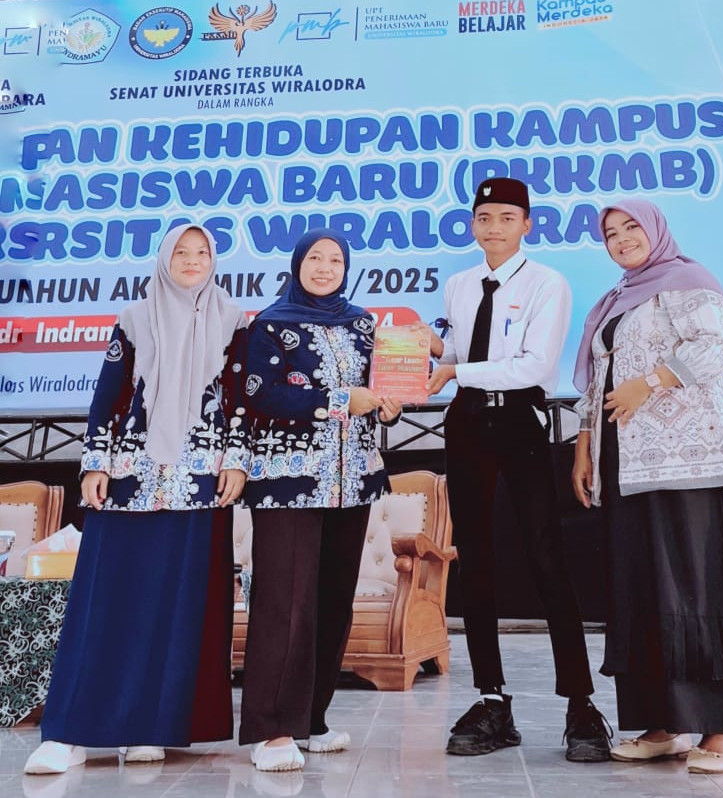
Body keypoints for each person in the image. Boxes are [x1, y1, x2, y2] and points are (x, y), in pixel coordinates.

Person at [571, 199, 723, 774]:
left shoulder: (689, 281)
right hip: (628, 466)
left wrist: (652, 381)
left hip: (692, 462)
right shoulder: (615, 299)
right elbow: (600, 380)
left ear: (656, 230)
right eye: (611, 233)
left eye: (632, 227)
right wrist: (584, 444)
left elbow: (714, 347)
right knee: (646, 593)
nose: (622, 238)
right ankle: (666, 723)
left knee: (702, 592)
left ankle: (722, 729)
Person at [25, 224, 250, 775]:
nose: (192, 260)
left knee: (180, 607)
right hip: (130, 478)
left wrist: (238, 460)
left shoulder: (233, 321)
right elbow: (108, 395)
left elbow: (241, 400)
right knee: (108, 599)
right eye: (182, 252)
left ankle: (153, 726)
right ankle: (71, 733)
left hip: (201, 481)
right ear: (164, 259)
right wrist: (95, 463)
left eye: (202, 252)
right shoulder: (134, 318)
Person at [425, 177, 612, 761]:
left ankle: (580, 704)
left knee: (545, 556)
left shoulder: (546, 283)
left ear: (527, 225)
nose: (494, 228)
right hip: (466, 423)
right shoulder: (459, 284)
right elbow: (461, 355)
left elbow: (533, 366)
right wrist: (428, 351)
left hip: (519, 421)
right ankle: (491, 700)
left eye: (507, 218)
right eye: (484, 218)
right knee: (475, 560)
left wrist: (457, 370)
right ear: (472, 225)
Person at [238, 228, 401, 773]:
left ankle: (311, 719)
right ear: (297, 264)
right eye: (315, 258)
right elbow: (260, 395)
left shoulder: (362, 324)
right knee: (285, 604)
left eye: (335, 259)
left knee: (333, 600)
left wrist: (387, 404)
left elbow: (377, 386)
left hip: (353, 481)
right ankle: (271, 729)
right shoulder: (269, 324)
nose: (325, 267)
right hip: (288, 482)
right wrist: (339, 400)